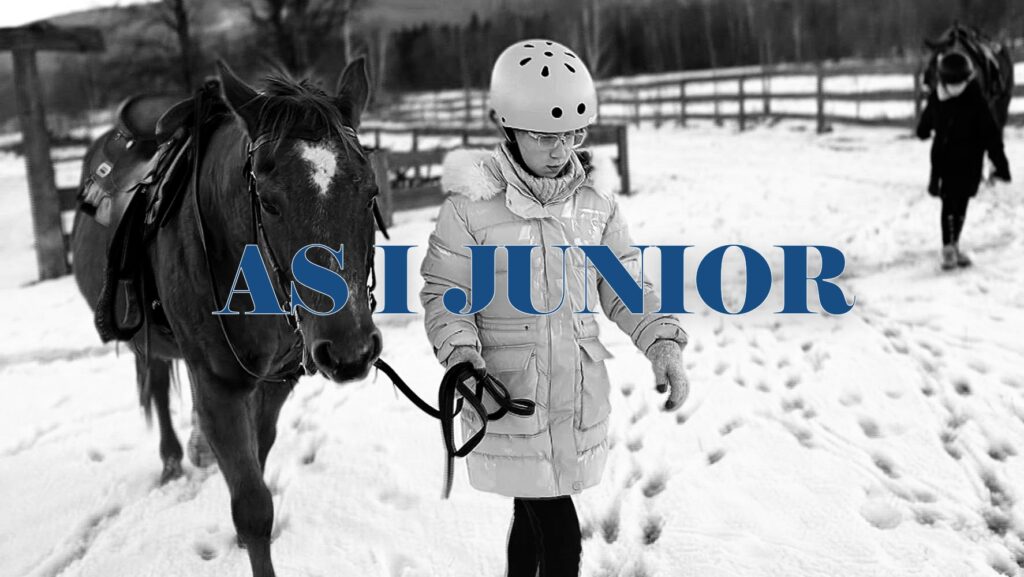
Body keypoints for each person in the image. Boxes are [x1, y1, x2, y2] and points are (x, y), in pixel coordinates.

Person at [419, 39, 690, 576]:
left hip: (574, 396)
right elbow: (446, 294)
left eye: (573, 134)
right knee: (561, 535)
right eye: (545, 135)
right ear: (508, 127)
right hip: (509, 395)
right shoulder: (471, 210)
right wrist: (461, 355)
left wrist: (662, 342)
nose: (561, 149)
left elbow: (624, 285)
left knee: (532, 515)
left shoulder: (595, 207)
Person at [917, 50, 1011, 270]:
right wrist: (1001, 164)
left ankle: (949, 247)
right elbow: (992, 135)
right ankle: (953, 245)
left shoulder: (937, 98)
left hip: (943, 161)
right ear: (968, 76)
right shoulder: (976, 99)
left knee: (948, 203)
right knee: (960, 204)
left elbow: (922, 129)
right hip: (970, 162)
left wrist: (928, 130)